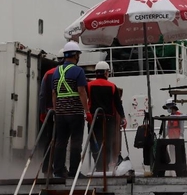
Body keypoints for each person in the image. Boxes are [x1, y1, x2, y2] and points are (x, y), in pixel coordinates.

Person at [52, 41, 91, 178]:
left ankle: (58, 171)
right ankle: (74, 172)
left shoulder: (56, 71)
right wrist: (87, 111)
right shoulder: (78, 71)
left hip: (61, 113)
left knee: (60, 141)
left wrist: (57, 111)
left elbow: (54, 94)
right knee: (76, 142)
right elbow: (81, 92)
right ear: (75, 55)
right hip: (75, 113)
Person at [87, 61, 127, 171]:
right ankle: (105, 167)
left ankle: (98, 166)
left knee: (94, 142)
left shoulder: (89, 86)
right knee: (107, 144)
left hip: (94, 119)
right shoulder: (112, 87)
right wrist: (123, 118)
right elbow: (118, 105)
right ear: (106, 73)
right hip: (108, 120)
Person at [38, 48, 63, 176]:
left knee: (50, 139)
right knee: (61, 140)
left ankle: (46, 169)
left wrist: (43, 112)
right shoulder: (69, 73)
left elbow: (42, 95)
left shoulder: (48, 74)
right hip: (63, 113)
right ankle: (59, 167)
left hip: (49, 112)